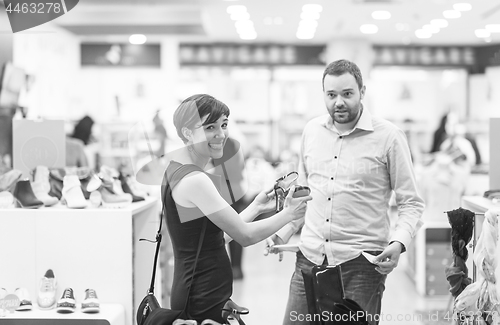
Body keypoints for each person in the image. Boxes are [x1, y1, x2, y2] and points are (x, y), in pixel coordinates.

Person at [265, 59, 425, 325]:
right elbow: (303, 198)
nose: (339, 102)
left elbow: (411, 202)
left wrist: (399, 243)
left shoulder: (389, 137)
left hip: (361, 264)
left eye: (347, 94)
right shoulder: (311, 131)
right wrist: (282, 232)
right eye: (331, 95)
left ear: (362, 91)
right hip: (310, 258)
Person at [162, 94, 311, 323]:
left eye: (223, 125)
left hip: (198, 290)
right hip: (202, 297)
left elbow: (211, 240)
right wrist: (289, 214)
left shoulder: (177, 170)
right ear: (187, 132)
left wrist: (257, 206)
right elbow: (245, 235)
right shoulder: (195, 180)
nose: (221, 134)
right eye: (210, 127)